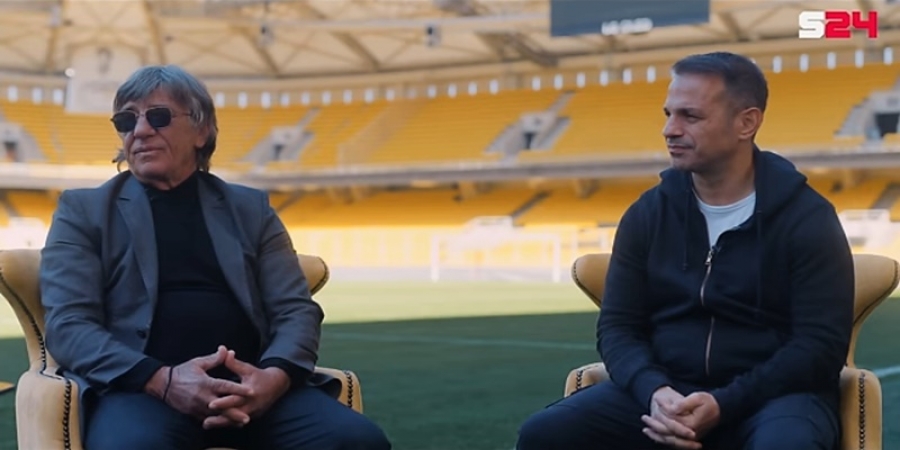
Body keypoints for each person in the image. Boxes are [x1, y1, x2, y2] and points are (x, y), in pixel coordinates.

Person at [40, 64, 392, 450]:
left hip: (256, 390)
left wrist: (272, 379)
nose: (139, 131)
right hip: (141, 391)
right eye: (126, 120)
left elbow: (295, 310)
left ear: (202, 130)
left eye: (158, 116)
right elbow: (69, 325)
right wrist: (163, 380)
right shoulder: (83, 211)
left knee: (358, 441)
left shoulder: (251, 209)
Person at [516, 51, 854, 450]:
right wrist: (654, 390)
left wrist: (724, 403)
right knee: (545, 434)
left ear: (746, 122)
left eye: (690, 116)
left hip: (774, 398)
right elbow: (618, 327)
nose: (669, 130)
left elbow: (819, 346)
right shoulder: (648, 213)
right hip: (665, 393)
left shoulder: (807, 217)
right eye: (668, 114)